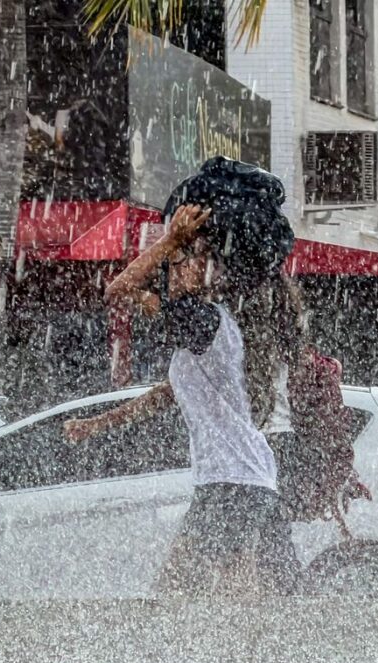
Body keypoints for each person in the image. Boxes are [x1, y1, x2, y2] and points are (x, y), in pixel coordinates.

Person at [64, 201, 302, 596]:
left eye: (181, 265)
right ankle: (249, 652)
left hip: (233, 480)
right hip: (243, 478)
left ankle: (222, 654)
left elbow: (119, 289)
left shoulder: (202, 319)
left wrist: (172, 239)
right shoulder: (201, 331)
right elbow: (162, 397)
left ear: (206, 272)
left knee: (183, 587)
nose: (171, 273)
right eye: (171, 267)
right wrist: (96, 425)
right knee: (233, 588)